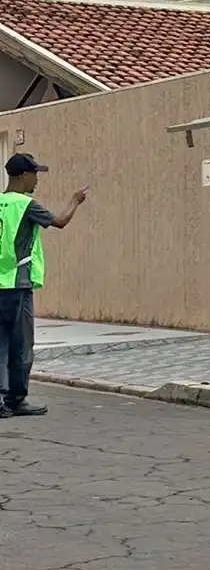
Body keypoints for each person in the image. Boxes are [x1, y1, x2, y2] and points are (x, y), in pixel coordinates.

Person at [0, 153, 87, 418]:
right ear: (23, 176)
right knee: (22, 344)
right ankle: (15, 398)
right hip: (17, 283)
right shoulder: (25, 205)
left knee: (1, 343)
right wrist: (75, 200)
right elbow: (59, 221)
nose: (37, 180)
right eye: (35, 174)